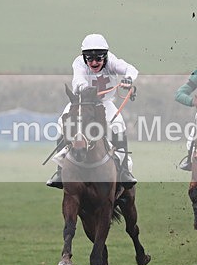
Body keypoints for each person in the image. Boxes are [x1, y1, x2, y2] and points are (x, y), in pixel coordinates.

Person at [46, 33, 138, 189]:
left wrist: (128, 78)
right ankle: (60, 171)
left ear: (105, 56)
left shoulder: (112, 61)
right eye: (90, 59)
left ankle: (124, 171)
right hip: (83, 101)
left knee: (118, 125)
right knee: (62, 121)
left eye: (98, 58)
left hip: (105, 103)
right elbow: (78, 81)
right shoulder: (78, 63)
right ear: (84, 57)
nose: (94, 62)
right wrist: (86, 90)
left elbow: (131, 69)